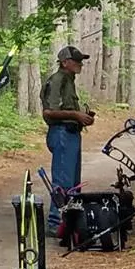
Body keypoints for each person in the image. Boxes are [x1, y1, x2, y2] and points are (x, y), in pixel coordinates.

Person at [39, 46, 94, 193]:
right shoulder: (57, 80)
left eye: (80, 61)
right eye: (76, 61)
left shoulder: (69, 81)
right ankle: (57, 216)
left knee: (74, 186)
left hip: (71, 134)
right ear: (64, 62)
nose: (80, 64)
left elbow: (65, 109)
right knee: (63, 186)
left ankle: (72, 215)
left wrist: (82, 117)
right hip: (61, 134)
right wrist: (76, 115)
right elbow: (49, 112)